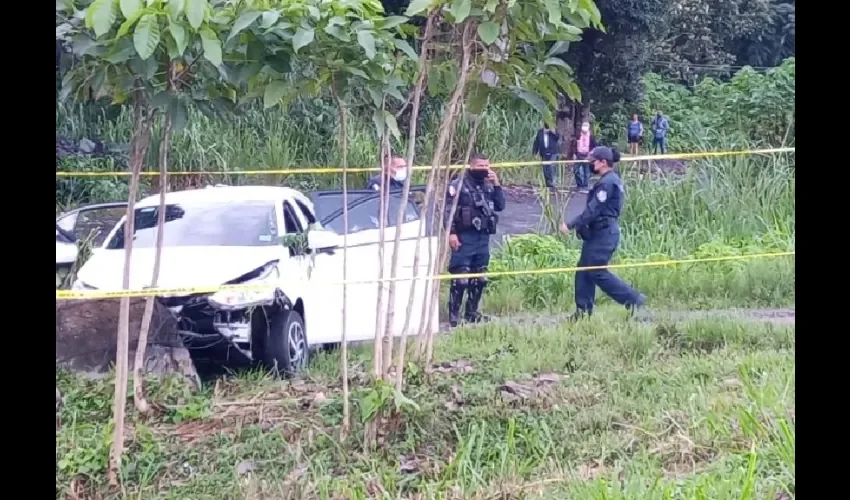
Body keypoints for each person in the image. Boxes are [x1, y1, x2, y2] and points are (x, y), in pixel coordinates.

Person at [559, 146, 645, 319]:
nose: (590, 164)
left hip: (604, 233)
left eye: (593, 161)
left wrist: (570, 225)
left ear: (603, 162)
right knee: (584, 271)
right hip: (597, 234)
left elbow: (593, 211)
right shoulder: (608, 180)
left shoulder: (608, 183)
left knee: (597, 271)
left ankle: (634, 300)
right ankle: (583, 312)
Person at [446, 152, 505, 327]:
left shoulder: (488, 185)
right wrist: (451, 233)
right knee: (461, 278)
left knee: (480, 278)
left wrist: (497, 185)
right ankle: (454, 316)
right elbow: (448, 211)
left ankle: (472, 312)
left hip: (482, 237)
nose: (484, 170)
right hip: (465, 236)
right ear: (471, 166)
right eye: (480, 166)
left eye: (486, 166)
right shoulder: (458, 185)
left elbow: (501, 206)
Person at [532, 122, 560, 189]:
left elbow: (557, 138)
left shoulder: (553, 131)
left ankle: (551, 182)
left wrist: (551, 132)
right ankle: (547, 183)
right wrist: (534, 152)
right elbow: (536, 142)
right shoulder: (540, 132)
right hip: (544, 152)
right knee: (545, 168)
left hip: (552, 152)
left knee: (550, 167)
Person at [573, 121, 597, 193]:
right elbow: (574, 144)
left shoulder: (591, 137)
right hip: (579, 155)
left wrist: (591, 154)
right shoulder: (578, 135)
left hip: (587, 155)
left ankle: (585, 186)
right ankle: (579, 185)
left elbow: (594, 146)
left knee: (586, 171)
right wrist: (574, 153)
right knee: (575, 170)